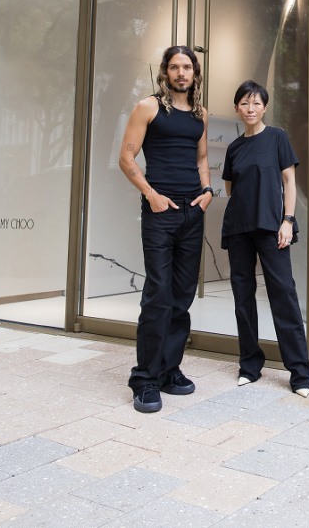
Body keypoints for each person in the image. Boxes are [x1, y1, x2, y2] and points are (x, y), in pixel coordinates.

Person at [119, 46, 213, 413]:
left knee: (182, 294)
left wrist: (206, 192)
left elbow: (202, 158)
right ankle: (144, 379)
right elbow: (126, 158)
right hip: (160, 211)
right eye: (174, 67)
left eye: (187, 67)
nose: (181, 72)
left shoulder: (201, 114)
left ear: (195, 73)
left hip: (193, 210)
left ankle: (169, 369)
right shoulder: (149, 107)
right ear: (165, 72)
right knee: (158, 294)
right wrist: (151, 195)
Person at [221, 80, 309, 397]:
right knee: (243, 299)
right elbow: (230, 189)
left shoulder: (277, 137)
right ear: (237, 108)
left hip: (272, 227)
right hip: (238, 230)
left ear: (264, 107)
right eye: (244, 103)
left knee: (283, 295)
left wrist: (287, 220)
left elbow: (290, 181)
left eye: (256, 103)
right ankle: (249, 365)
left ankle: (300, 374)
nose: (250, 108)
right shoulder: (234, 148)